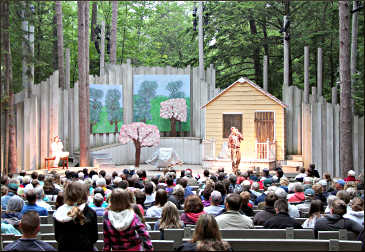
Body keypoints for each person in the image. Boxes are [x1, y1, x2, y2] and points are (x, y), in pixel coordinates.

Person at [53, 181, 98, 251]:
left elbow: (57, 237)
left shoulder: (59, 212)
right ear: (84, 194)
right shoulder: (90, 212)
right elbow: (94, 237)